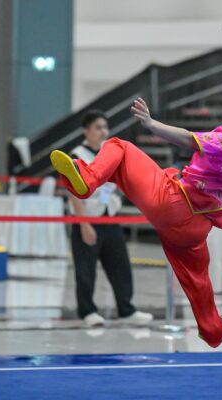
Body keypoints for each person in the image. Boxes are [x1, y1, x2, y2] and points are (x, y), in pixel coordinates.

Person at [51, 67, 222, 348]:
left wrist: (151, 124)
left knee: (119, 147)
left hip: (173, 203)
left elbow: (186, 138)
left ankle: (86, 180)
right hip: (197, 226)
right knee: (198, 279)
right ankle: (213, 330)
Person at [68, 110, 153, 327]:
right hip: (88, 218)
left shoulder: (110, 152)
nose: (103, 132)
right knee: (86, 269)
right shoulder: (76, 155)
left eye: (105, 127)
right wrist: (84, 224)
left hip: (110, 217)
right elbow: (73, 194)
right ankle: (87, 311)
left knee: (120, 265)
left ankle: (126, 310)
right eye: (98, 127)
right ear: (86, 131)